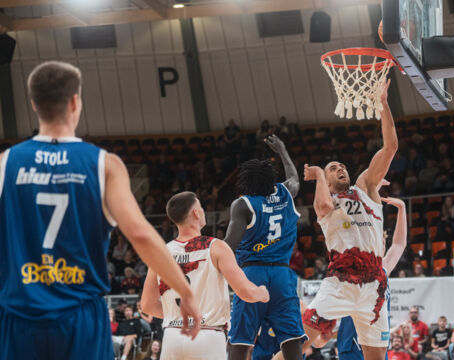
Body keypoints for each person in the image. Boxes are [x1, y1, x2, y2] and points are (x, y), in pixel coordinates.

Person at [0, 61, 200, 360]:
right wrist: (184, 292)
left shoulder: (5, 163)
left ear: (33, 104)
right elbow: (140, 235)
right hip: (81, 317)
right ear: (74, 102)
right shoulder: (103, 164)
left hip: (19, 316)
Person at [301, 79, 396, 360]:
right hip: (341, 281)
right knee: (300, 343)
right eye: (333, 168)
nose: (340, 168)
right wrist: (318, 174)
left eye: (342, 166)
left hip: (373, 286)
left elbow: (390, 147)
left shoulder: (367, 186)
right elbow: (322, 203)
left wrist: (383, 104)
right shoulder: (327, 201)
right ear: (328, 179)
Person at [141, 192, 269, 360]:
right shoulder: (215, 247)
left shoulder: (161, 252)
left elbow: (147, 305)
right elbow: (246, 292)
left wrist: (178, 317)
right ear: (195, 213)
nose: (202, 211)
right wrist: (262, 292)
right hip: (208, 336)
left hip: (172, 336)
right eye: (201, 207)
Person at [224, 135, 305, 360]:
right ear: (271, 178)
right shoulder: (285, 193)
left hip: (251, 273)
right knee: (291, 340)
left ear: (246, 183)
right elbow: (294, 178)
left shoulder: (243, 204)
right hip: (282, 273)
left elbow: (228, 247)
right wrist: (283, 151)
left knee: (240, 341)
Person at [333, 194, 408, 360]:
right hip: (353, 343)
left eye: (381, 241)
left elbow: (399, 244)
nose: (377, 244)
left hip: (377, 343)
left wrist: (402, 208)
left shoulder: (384, 268)